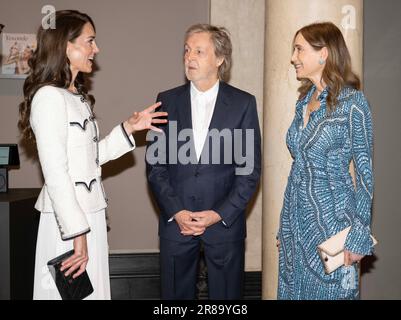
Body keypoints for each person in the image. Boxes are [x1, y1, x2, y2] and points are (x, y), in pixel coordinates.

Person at [18, 10, 167, 300]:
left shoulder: (75, 95)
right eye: (90, 41)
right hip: (69, 223)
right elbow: (56, 174)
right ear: (65, 46)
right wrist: (78, 234)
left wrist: (128, 128)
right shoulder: (48, 98)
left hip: (90, 214)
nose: (96, 49)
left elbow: (88, 158)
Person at [146, 24, 261, 299]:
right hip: (176, 224)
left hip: (224, 226)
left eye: (199, 51)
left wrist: (219, 214)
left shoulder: (243, 104)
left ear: (220, 59)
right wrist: (178, 212)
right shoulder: (166, 101)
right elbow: (155, 167)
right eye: (186, 50)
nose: (189, 57)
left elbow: (249, 171)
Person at [276, 22, 375, 300]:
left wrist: (358, 235)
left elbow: (366, 176)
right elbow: (298, 171)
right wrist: (284, 225)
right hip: (295, 230)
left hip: (333, 231)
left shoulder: (353, 103)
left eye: (299, 49)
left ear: (324, 54)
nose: (293, 57)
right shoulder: (303, 102)